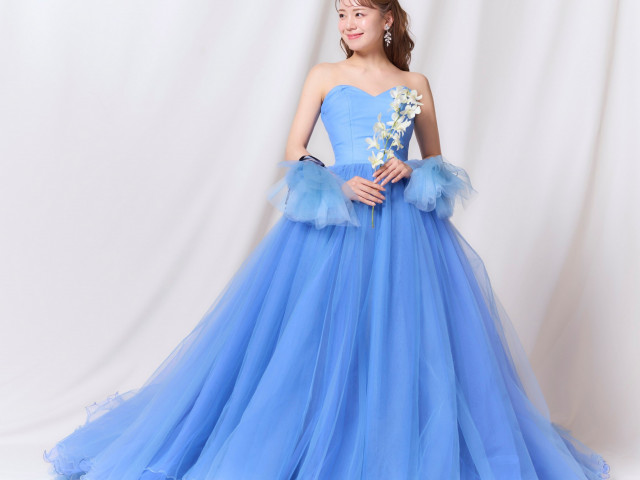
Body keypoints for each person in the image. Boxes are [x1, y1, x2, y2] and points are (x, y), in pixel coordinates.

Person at [43, 0, 611, 478]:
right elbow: (295, 150)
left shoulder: (415, 85)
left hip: (404, 232)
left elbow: (437, 163)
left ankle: (387, 443)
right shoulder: (324, 76)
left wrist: (411, 168)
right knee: (316, 336)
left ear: (388, 18)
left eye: (359, 12)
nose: (347, 23)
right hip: (341, 216)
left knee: (402, 335)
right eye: (341, 14)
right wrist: (339, 184)